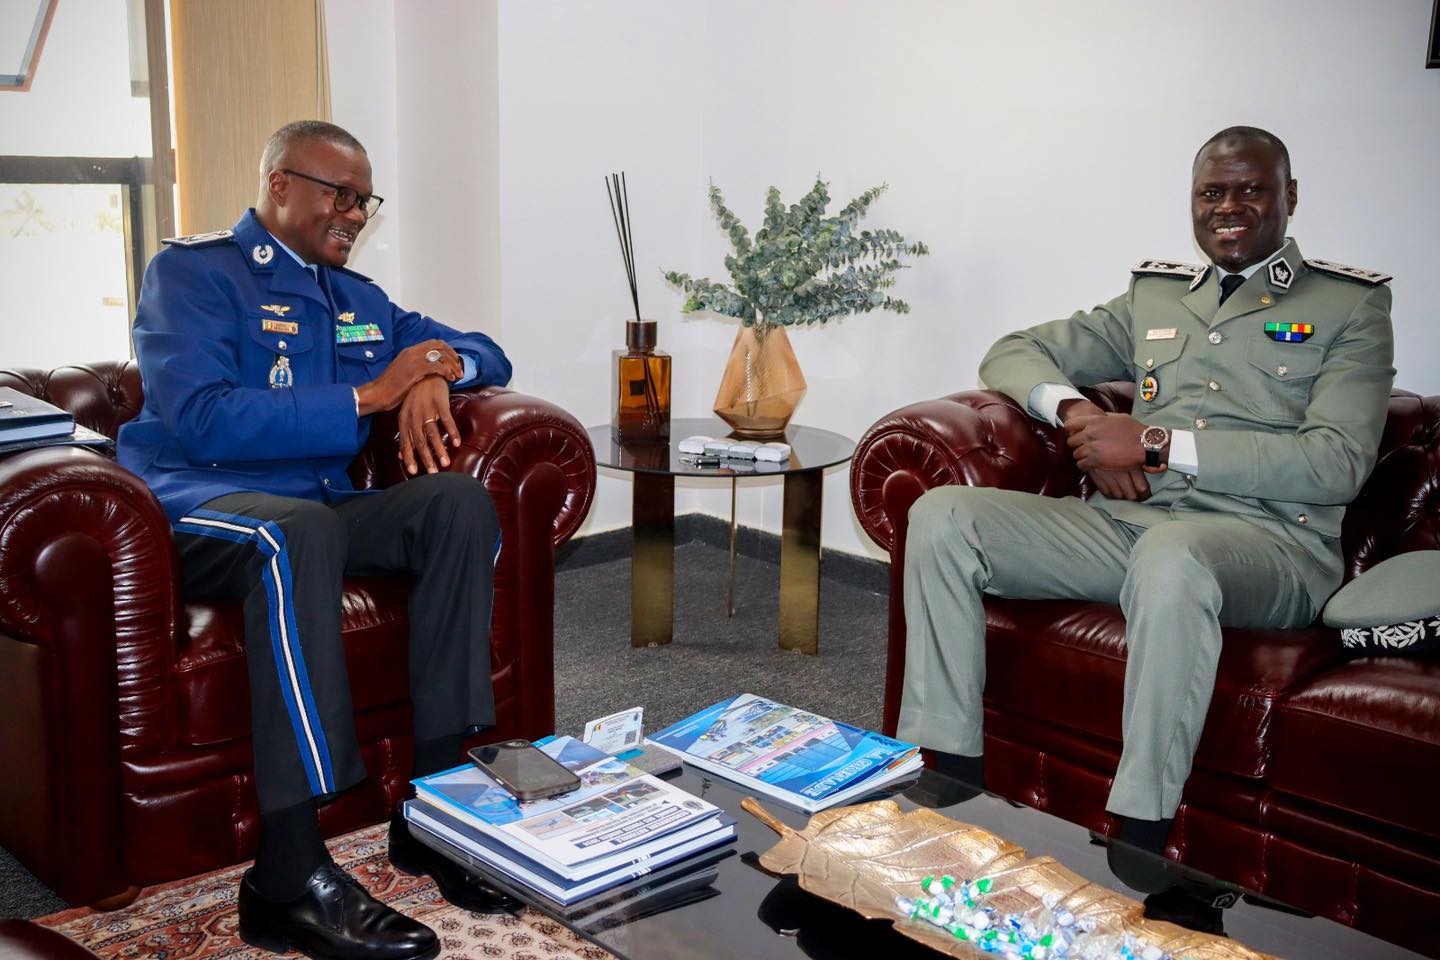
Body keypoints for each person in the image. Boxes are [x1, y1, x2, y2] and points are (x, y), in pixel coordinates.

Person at [899, 126, 1394, 930]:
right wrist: (1081, 417)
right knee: (946, 516)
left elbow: (1336, 463)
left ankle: (1141, 821)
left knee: (1173, 555)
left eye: (1251, 189)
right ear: (1193, 204)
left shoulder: (1350, 307)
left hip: (1271, 548)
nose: (1229, 206)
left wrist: (1158, 443)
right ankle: (949, 762)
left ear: (1289, 198)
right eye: (1212, 192)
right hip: (1136, 526)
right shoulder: (1159, 297)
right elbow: (1012, 351)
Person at [118, 120, 518, 960]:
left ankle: (434, 816)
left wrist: (435, 367)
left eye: (364, 200)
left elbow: (490, 353)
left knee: (455, 505)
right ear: (279, 185)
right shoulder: (191, 274)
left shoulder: (357, 299)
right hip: (201, 502)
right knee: (292, 534)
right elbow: (200, 417)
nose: (353, 213)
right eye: (338, 193)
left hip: (317, 507)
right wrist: (374, 394)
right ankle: (288, 876)